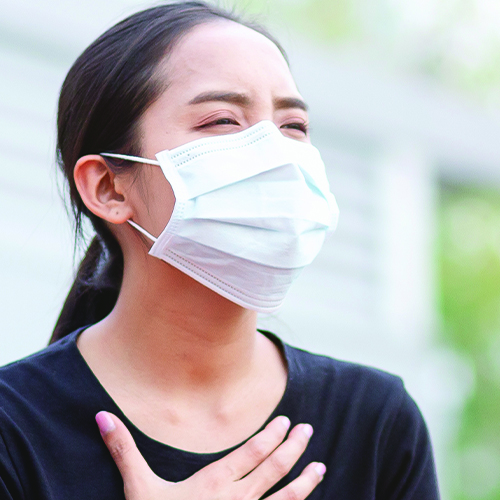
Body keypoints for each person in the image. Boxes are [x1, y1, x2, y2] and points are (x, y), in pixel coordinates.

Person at [0, 2, 440, 499]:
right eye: (224, 120)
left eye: (293, 126)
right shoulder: (13, 428)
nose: (276, 154)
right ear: (108, 188)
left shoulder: (376, 421)